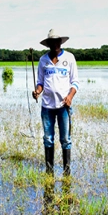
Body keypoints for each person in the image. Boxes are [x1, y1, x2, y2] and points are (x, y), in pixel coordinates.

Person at [32, 29, 79, 176]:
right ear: (49, 44)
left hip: (63, 106)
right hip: (47, 106)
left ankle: (66, 170)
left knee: (65, 139)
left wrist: (70, 97)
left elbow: (75, 82)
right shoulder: (42, 60)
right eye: (52, 42)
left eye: (57, 41)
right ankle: (49, 170)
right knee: (48, 138)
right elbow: (40, 82)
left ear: (60, 42)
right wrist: (37, 91)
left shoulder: (70, 58)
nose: (55, 44)